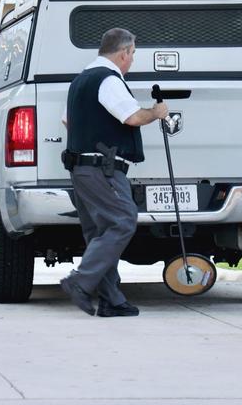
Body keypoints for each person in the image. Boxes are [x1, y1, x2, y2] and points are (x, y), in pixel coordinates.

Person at [59, 28, 169, 317]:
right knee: (122, 221)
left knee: (100, 232)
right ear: (123, 53)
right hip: (102, 169)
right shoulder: (109, 79)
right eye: (132, 54)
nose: (132, 60)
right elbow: (132, 117)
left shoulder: (81, 80)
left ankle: (112, 300)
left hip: (81, 169)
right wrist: (156, 112)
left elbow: (67, 121)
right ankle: (80, 282)